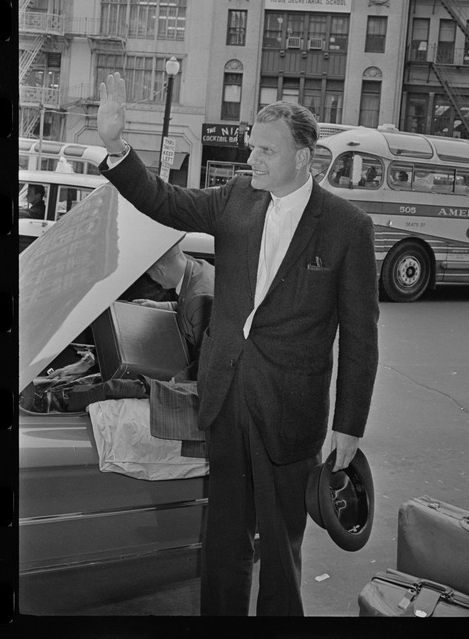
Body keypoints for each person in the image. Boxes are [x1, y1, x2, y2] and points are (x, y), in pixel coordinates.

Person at [97, 72, 379, 617]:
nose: (253, 159)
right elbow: (166, 201)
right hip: (227, 400)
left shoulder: (347, 227)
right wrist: (117, 147)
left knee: (280, 551)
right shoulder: (235, 199)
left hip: (289, 412)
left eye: (266, 150)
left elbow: (361, 334)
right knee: (224, 544)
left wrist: (350, 424)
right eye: (252, 147)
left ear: (305, 158)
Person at [132, 240, 215, 382]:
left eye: (150, 275)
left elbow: (205, 361)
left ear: (160, 270)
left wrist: (171, 383)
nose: (153, 280)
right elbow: (191, 306)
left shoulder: (201, 298)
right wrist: (163, 307)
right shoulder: (197, 268)